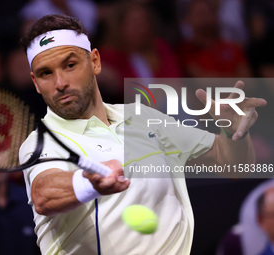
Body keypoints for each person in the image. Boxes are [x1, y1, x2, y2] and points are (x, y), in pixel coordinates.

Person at [18, 14, 266, 254]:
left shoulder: (143, 117)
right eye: (45, 73)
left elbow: (232, 165)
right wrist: (87, 183)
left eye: (70, 65)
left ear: (95, 62)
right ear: (36, 83)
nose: (60, 82)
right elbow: (44, 194)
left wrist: (233, 131)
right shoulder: (40, 142)